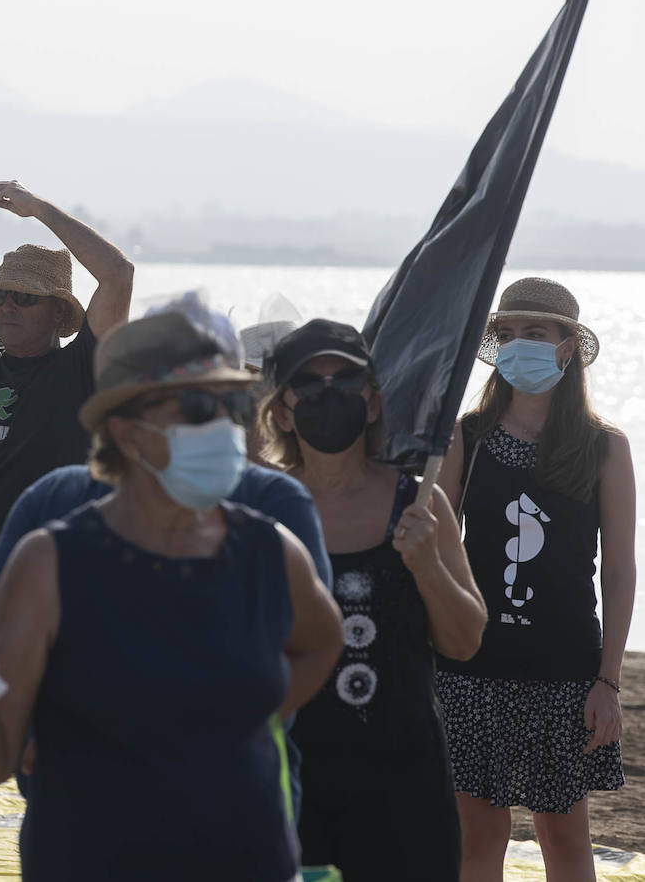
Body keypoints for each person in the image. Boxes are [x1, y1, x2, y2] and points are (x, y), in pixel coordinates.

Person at [0, 310, 343, 881]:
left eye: (230, 406)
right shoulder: (50, 558)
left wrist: (248, 720)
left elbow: (322, 641)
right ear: (126, 431)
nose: (222, 427)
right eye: (196, 409)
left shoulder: (271, 545)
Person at [0, 180, 133, 880]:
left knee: (54, 769)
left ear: (57, 313)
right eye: (0, 297)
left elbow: (120, 275)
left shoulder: (82, 368)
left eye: (23, 298)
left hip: (50, 597)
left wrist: (40, 212)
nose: (7, 307)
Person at [258, 319, 487, 881]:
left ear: (374, 402)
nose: (327, 395)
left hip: (404, 789)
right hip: (286, 785)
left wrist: (426, 563)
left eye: (346, 381)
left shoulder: (420, 504)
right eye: (308, 384)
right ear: (282, 410)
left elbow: (465, 642)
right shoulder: (258, 510)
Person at [433, 278, 635, 882]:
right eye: (510, 334)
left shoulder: (605, 447)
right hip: (471, 666)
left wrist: (608, 681)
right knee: (479, 838)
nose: (520, 344)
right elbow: (437, 556)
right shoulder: (465, 436)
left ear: (568, 346)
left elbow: (621, 572)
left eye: (537, 333)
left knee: (566, 839)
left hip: (565, 671)